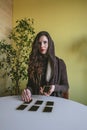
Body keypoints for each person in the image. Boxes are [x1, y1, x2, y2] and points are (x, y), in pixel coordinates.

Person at [22, 31, 69, 102]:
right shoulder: (33, 63)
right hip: (37, 100)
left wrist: (54, 88)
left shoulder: (60, 63)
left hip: (55, 101)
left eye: (45, 42)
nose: (42, 46)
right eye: (39, 43)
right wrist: (28, 90)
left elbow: (66, 87)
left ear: (49, 44)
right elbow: (30, 85)